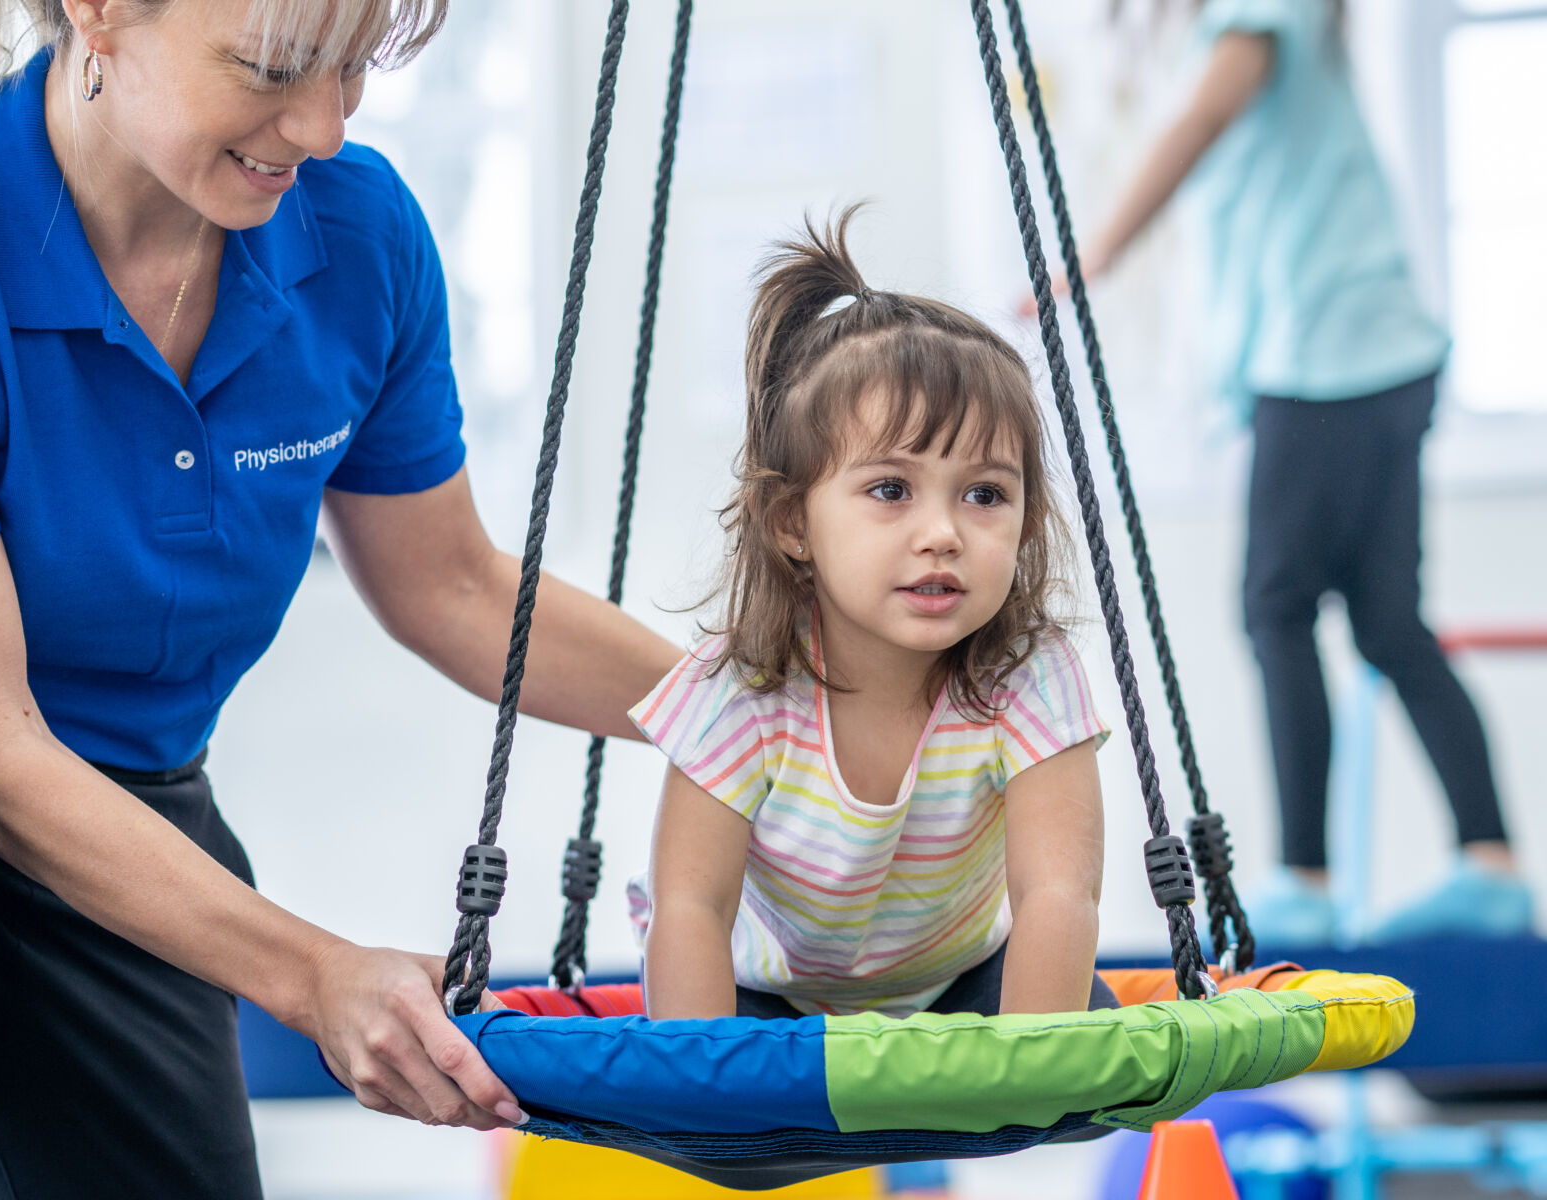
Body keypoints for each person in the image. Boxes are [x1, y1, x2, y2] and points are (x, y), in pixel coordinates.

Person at [0, 1, 681, 1196]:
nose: (325, 127)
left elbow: (451, 583)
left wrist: (761, 714)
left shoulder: (356, 234)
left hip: (119, 818)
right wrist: (313, 974)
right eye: (278, 67)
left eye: (358, 68)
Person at [1053, 0, 1532, 944]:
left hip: (1329, 357)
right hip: (1368, 352)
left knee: (1276, 606)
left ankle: (1305, 880)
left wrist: (1095, 252)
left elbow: (1204, 120)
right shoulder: (1249, 26)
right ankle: (1489, 861)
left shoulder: (1261, 10)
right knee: (1389, 624)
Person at [631, 211, 1117, 1023]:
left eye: (985, 495)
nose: (942, 534)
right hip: (768, 998)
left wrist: (1029, 1077)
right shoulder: (737, 688)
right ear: (793, 524)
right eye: (890, 491)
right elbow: (690, 909)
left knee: (1090, 1023)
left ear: (1028, 522)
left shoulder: (1029, 674)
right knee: (720, 1074)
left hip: (960, 985)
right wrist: (705, 1089)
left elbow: (1059, 894)